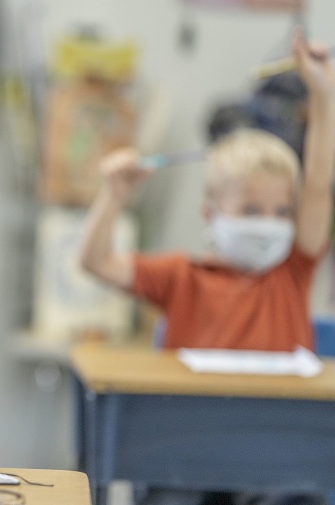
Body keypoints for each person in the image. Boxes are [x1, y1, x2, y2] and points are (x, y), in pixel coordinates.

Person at [79, 35, 334, 505]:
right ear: (210, 214)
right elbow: (94, 262)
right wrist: (114, 196)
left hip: (273, 460)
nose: (270, 222)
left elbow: (318, 184)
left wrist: (322, 93)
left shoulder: (292, 270)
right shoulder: (182, 274)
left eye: (282, 211)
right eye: (251, 207)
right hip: (189, 458)